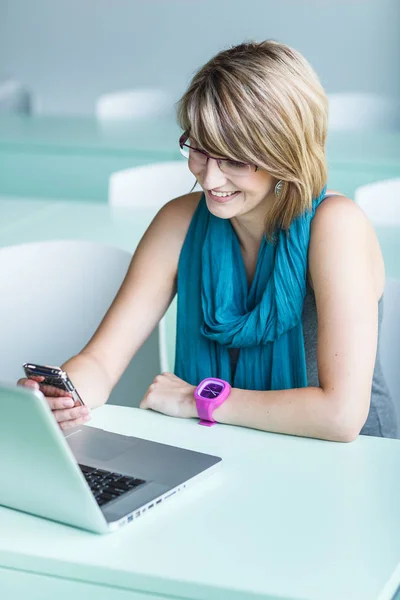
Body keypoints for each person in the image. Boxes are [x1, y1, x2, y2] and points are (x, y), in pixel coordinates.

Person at [19, 40, 398, 441]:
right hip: (228, 447)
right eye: (199, 149)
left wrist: (196, 400)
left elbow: (340, 416)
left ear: (286, 155)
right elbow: (101, 360)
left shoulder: (336, 226)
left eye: (235, 160)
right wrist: (61, 396)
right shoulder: (179, 221)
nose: (210, 178)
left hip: (349, 464)